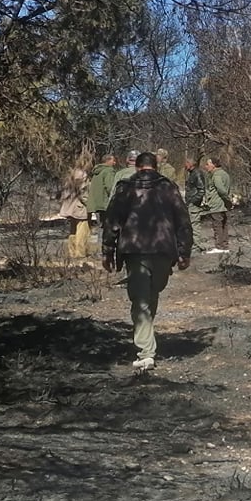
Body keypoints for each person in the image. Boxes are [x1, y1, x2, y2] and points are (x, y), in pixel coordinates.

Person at [102, 151, 193, 371]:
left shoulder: (125, 188)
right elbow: (183, 220)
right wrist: (184, 251)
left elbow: (112, 222)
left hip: (134, 249)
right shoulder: (169, 188)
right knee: (144, 298)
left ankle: (145, 338)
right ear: (156, 166)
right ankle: (146, 352)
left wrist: (107, 251)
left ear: (137, 167)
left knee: (146, 297)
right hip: (163, 249)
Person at [201, 156, 233, 254]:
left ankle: (219, 247)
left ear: (214, 165)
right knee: (224, 226)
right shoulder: (225, 174)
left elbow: (221, 190)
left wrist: (228, 200)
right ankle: (225, 246)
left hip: (217, 204)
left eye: (208, 164)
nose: (206, 166)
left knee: (217, 226)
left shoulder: (216, 175)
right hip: (223, 206)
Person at [58, 165, 91, 260]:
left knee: (73, 230)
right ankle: (80, 253)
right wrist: (89, 204)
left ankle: (72, 252)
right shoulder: (83, 176)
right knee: (83, 230)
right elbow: (84, 194)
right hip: (80, 207)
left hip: (70, 207)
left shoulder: (70, 176)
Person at [85, 153, 117, 239]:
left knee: (100, 227)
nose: (115, 163)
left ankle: (98, 248)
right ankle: (104, 248)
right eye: (113, 161)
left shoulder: (96, 172)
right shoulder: (108, 171)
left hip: (96, 203)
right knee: (107, 228)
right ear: (108, 161)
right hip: (105, 204)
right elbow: (110, 187)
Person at [184, 156, 209, 253]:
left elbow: (201, 190)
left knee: (195, 226)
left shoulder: (197, 174)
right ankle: (194, 245)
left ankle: (197, 247)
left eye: (186, 163)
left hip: (194, 205)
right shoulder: (191, 173)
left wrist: (193, 201)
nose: (185, 165)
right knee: (190, 226)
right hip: (190, 204)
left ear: (190, 163)